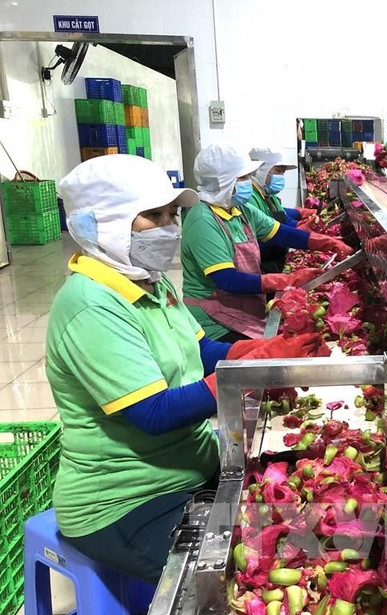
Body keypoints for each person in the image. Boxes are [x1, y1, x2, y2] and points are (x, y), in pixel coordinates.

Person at [49, 154, 326, 584]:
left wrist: (259, 350)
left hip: (192, 462)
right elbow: (154, 414)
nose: (170, 228)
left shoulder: (150, 281)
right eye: (152, 217)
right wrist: (247, 373)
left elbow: (201, 351)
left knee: (302, 517)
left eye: (172, 214)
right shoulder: (91, 304)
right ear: (101, 225)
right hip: (126, 499)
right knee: (249, 575)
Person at [181, 144, 327, 342]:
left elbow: (280, 233)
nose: (248, 182)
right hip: (214, 320)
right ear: (222, 182)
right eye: (242, 178)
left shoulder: (240, 210)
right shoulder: (203, 220)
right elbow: (227, 280)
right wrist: (285, 280)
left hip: (242, 308)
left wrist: (326, 243)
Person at [247, 147, 352, 273]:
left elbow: (285, 220)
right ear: (260, 170)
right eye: (278, 171)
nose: (281, 177)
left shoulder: (269, 195)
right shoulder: (250, 199)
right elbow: (269, 235)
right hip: (261, 265)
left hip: (274, 261)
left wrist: (302, 225)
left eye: (283, 172)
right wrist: (325, 242)